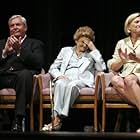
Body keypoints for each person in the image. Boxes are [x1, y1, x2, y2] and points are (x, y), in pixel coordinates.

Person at [41, 26, 106, 131]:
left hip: (82, 81)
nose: (84, 45)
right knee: (59, 83)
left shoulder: (91, 55)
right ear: (76, 40)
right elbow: (53, 68)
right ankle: (57, 118)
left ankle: (57, 118)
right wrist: (58, 76)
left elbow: (102, 68)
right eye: (82, 42)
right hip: (65, 78)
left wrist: (94, 49)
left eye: (87, 43)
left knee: (72, 85)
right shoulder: (65, 51)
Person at [0, 15, 44, 132]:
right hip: (4, 76)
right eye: (11, 26)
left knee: (24, 74)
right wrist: (4, 53)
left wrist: (20, 50)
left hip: (21, 78)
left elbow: (38, 63)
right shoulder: (2, 43)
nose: (14, 27)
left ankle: (18, 119)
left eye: (18, 25)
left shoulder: (35, 44)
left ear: (25, 28)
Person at [107, 12, 140, 132]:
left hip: (138, 73)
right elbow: (112, 66)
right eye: (136, 22)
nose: (139, 24)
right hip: (125, 74)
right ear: (129, 27)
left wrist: (136, 59)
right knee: (115, 79)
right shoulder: (121, 43)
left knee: (130, 79)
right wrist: (122, 60)